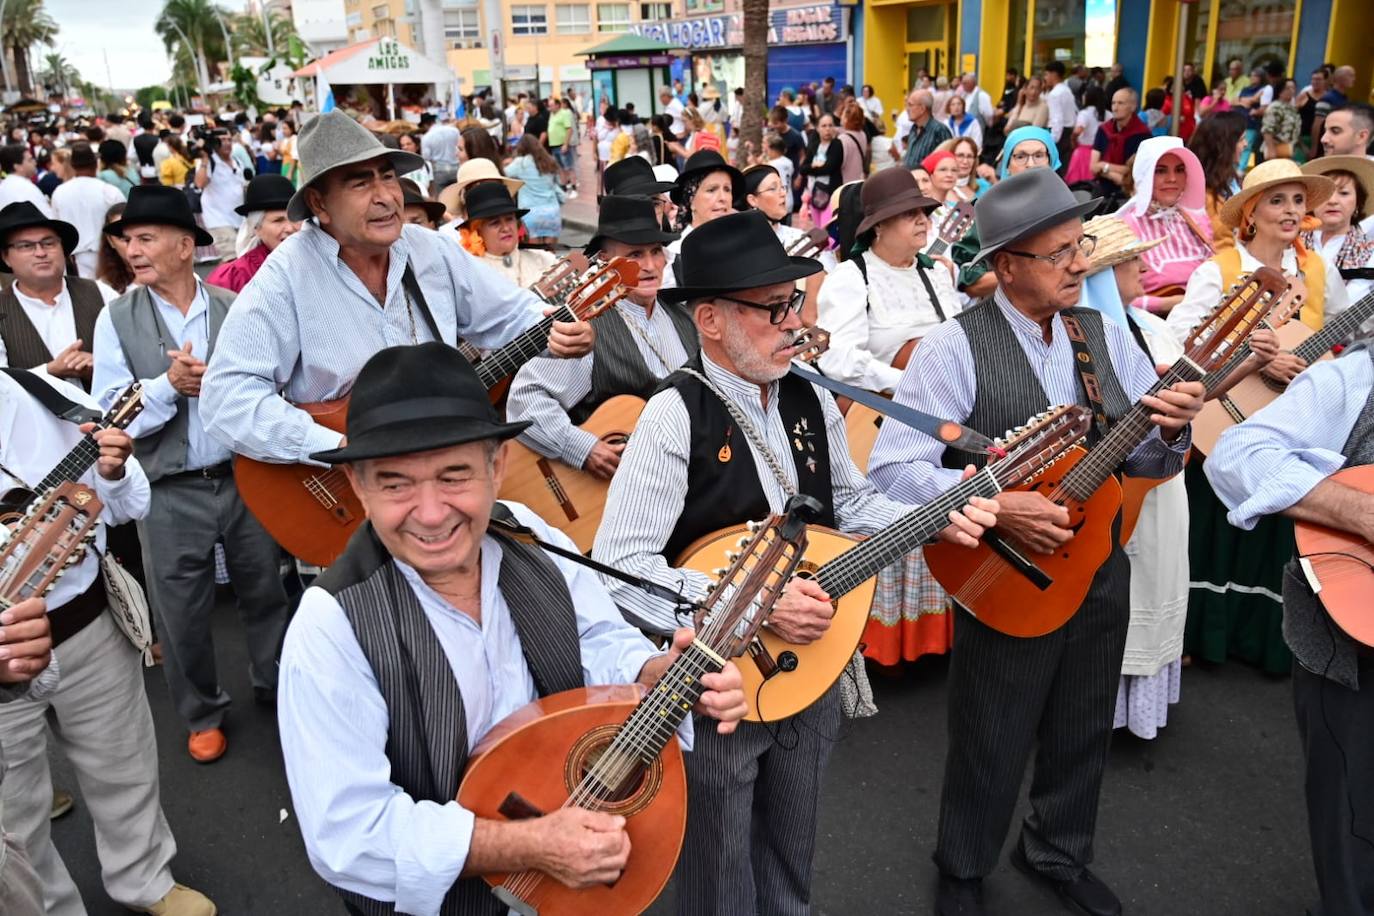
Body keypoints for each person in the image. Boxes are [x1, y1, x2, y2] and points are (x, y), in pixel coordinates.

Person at [593, 209, 997, 916]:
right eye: (773, 307)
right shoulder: (674, 415)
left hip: (810, 666)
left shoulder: (810, 396)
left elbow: (849, 502)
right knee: (717, 869)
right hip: (716, 684)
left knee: (792, 850)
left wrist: (933, 518)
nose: (792, 322)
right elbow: (619, 564)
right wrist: (751, 601)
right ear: (710, 319)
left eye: (794, 305)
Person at [277, 341, 747, 915]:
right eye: (396, 483)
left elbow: (596, 635)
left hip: (574, 883)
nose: (430, 513)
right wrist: (531, 845)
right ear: (358, 486)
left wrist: (651, 671)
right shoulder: (332, 627)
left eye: (454, 476)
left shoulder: (526, 532)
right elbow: (349, 835)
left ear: (497, 467)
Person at [868, 168, 1203, 916]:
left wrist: (1173, 434)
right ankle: (962, 865)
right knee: (992, 729)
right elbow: (892, 470)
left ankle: (1057, 848)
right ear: (1008, 264)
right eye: (1059, 253)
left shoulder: (1105, 334)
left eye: (1078, 244)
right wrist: (996, 500)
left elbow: (1140, 456)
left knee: (1084, 722)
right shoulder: (954, 347)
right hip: (1005, 571)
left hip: (1099, 564)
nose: (1079, 263)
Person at [201, 112, 593, 466]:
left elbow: (512, 314)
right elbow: (225, 398)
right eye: (360, 183)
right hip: (344, 500)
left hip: (439, 462)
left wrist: (556, 329)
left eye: (387, 176)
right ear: (319, 203)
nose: (385, 196)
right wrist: (336, 446)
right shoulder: (286, 276)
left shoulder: (431, 251)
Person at [0, 369, 216, 916]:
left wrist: (113, 472)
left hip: (86, 626)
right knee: (13, 812)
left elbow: (129, 505)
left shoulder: (49, 398)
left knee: (124, 765)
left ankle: (145, 879)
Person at [90, 185, 292, 764]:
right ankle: (202, 712)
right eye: (128, 239)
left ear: (185, 246)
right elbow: (109, 408)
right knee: (179, 610)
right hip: (168, 487)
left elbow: (274, 381)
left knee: (265, 590)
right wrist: (165, 387)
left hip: (245, 477)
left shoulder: (233, 307)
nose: (133, 249)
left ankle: (275, 684)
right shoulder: (117, 318)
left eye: (146, 237)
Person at [1203, 336, 1374, 916]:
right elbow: (1238, 454)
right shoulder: (1357, 377)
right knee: (1358, 826)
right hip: (1355, 641)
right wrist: (1359, 511)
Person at [1167, 159, 1346, 677]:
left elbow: (1339, 335)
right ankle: (1204, 634)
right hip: (1228, 416)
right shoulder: (1219, 271)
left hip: (1291, 419)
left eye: (1297, 201)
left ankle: (1267, 640)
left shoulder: (1317, 271)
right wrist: (1250, 355)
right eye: (1277, 201)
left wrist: (1307, 360)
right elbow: (1179, 342)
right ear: (1250, 213)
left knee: (1276, 527)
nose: (1291, 212)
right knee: (1213, 527)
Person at [1076, 215, 1190, 741]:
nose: (1145, 267)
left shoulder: (1152, 327)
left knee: (1158, 576)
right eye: (1131, 261)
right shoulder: (1084, 342)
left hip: (1160, 474)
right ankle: (1095, 705)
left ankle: (1137, 707)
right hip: (1108, 486)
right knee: (1115, 588)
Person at [507, 195, 694, 483]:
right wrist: (583, 448)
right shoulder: (589, 326)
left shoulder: (684, 318)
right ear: (605, 261)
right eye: (634, 255)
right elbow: (525, 399)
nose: (649, 265)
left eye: (655, 251)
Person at [0, 201, 113, 381]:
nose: (40, 253)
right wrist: (49, 371)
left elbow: (131, 355)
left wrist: (100, 364)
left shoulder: (100, 292)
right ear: (6, 258)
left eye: (49, 243)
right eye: (26, 246)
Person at [950, 125, 1062, 300]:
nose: (1031, 164)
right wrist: (1027, 274)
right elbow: (970, 280)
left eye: (1039, 155)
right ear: (1008, 165)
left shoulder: (1069, 208)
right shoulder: (988, 210)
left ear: (1051, 161)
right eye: (1021, 156)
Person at [1115, 137, 1215, 315]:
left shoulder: (1196, 221)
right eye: (1160, 171)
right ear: (1145, 176)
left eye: (1179, 170)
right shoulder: (1125, 227)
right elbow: (1115, 298)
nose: (1172, 179)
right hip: (1151, 327)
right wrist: (1167, 304)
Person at [1302, 155, 1374, 326]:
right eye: (1326, 193)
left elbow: (1355, 309)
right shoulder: (1290, 243)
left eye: (1343, 193)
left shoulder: (1369, 250)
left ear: (1358, 203)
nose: (1333, 201)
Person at [205, 173, 300, 294]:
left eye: (295, 218)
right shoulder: (233, 279)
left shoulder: (316, 261)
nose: (290, 228)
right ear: (256, 228)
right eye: (278, 220)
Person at [663, 149, 742, 288]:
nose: (723, 198)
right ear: (691, 201)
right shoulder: (674, 256)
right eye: (712, 190)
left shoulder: (742, 247)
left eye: (727, 189)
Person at [455, 180, 557, 286]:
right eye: (495, 223)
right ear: (477, 232)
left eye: (509, 219)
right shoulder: (471, 273)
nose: (505, 228)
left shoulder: (543, 259)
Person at [51, 142, 125, 280]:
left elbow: (56, 226)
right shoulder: (109, 191)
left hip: (76, 257)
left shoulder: (59, 193)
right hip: (107, 255)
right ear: (95, 165)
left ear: (72, 166)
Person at [1188, 110, 1248, 250]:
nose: (1245, 144)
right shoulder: (1201, 192)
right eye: (1241, 140)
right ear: (1223, 144)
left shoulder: (1231, 180)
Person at [505, 133, 565, 248]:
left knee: (535, 255)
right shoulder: (550, 161)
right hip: (552, 212)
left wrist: (510, 161)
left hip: (531, 213)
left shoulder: (521, 163)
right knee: (551, 258)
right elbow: (557, 183)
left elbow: (503, 174)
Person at [192, 132, 245, 261]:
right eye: (222, 140)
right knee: (232, 258)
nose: (227, 143)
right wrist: (204, 159)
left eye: (229, 139)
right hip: (218, 219)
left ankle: (215, 280)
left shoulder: (237, 161)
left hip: (238, 219)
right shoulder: (209, 162)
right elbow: (199, 183)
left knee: (237, 260)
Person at [1090, 88, 1150, 196]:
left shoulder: (1143, 134)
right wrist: (1114, 175)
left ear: (1133, 106)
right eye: (1113, 103)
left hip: (1128, 193)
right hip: (1101, 189)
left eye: (1120, 103)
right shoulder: (1103, 129)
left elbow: (1133, 171)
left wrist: (1103, 166)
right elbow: (1093, 167)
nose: (1115, 108)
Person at [803, 112, 843, 228]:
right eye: (824, 126)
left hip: (830, 193)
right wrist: (812, 167)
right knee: (817, 227)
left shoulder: (837, 144)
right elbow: (803, 169)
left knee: (827, 228)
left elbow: (829, 168)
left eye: (830, 125)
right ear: (818, 128)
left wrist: (813, 168)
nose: (828, 129)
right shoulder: (814, 145)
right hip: (813, 192)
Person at [1310, 64, 1357, 159]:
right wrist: (1314, 147)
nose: (1354, 79)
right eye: (1351, 75)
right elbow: (1317, 123)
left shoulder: (1345, 99)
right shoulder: (1327, 99)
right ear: (1340, 77)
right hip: (1324, 148)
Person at [1064, 85, 1106, 184]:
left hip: (1083, 153)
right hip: (1101, 154)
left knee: (1078, 185)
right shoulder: (1107, 114)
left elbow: (1078, 131)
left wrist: (1073, 139)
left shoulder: (1085, 113)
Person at [902, 89, 953, 169]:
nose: (907, 109)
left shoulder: (939, 130)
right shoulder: (913, 128)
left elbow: (947, 162)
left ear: (922, 109)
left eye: (910, 105)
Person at [96, 201, 137, 299]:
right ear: (110, 241)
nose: (134, 247)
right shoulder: (103, 289)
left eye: (143, 238)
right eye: (125, 239)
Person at [0, 144, 53, 217]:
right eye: (30, 160)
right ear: (17, 167)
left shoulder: (4, 186)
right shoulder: (25, 188)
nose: (35, 162)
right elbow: (47, 217)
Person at [1044, 60, 1080, 164]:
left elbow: (1057, 119)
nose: (1045, 78)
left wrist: (1051, 141)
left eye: (1046, 74)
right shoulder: (1067, 90)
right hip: (1068, 134)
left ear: (1054, 74)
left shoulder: (1055, 94)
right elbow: (1074, 113)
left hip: (1058, 135)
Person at [1261, 79, 1301, 161]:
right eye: (1287, 88)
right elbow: (1267, 130)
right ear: (1280, 91)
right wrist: (1272, 151)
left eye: (1293, 88)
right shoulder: (1275, 107)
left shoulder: (1292, 109)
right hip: (1276, 149)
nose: (1291, 91)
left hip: (1288, 150)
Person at [420, 113, 460, 191]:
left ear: (425, 125)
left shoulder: (426, 137)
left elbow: (426, 158)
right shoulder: (454, 130)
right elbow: (460, 147)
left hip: (440, 170)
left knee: (442, 197)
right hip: (457, 167)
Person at [547, 96, 577, 193]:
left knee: (569, 167)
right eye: (549, 106)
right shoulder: (552, 115)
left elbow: (569, 129)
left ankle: (573, 186)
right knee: (560, 168)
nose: (549, 107)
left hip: (561, 145)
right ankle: (564, 186)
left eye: (551, 105)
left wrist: (565, 144)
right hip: (553, 145)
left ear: (557, 105)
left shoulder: (564, 113)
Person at [949, 136, 990, 201]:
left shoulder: (984, 187)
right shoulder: (939, 190)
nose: (965, 161)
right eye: (960, 155)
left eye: (969, 156)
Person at [397, 131, 432, 198]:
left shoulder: (427, 165)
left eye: (408, 144)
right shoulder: (399, 167)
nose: (405, 147)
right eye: (402, 145)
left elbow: (431, 189)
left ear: (416, 146)